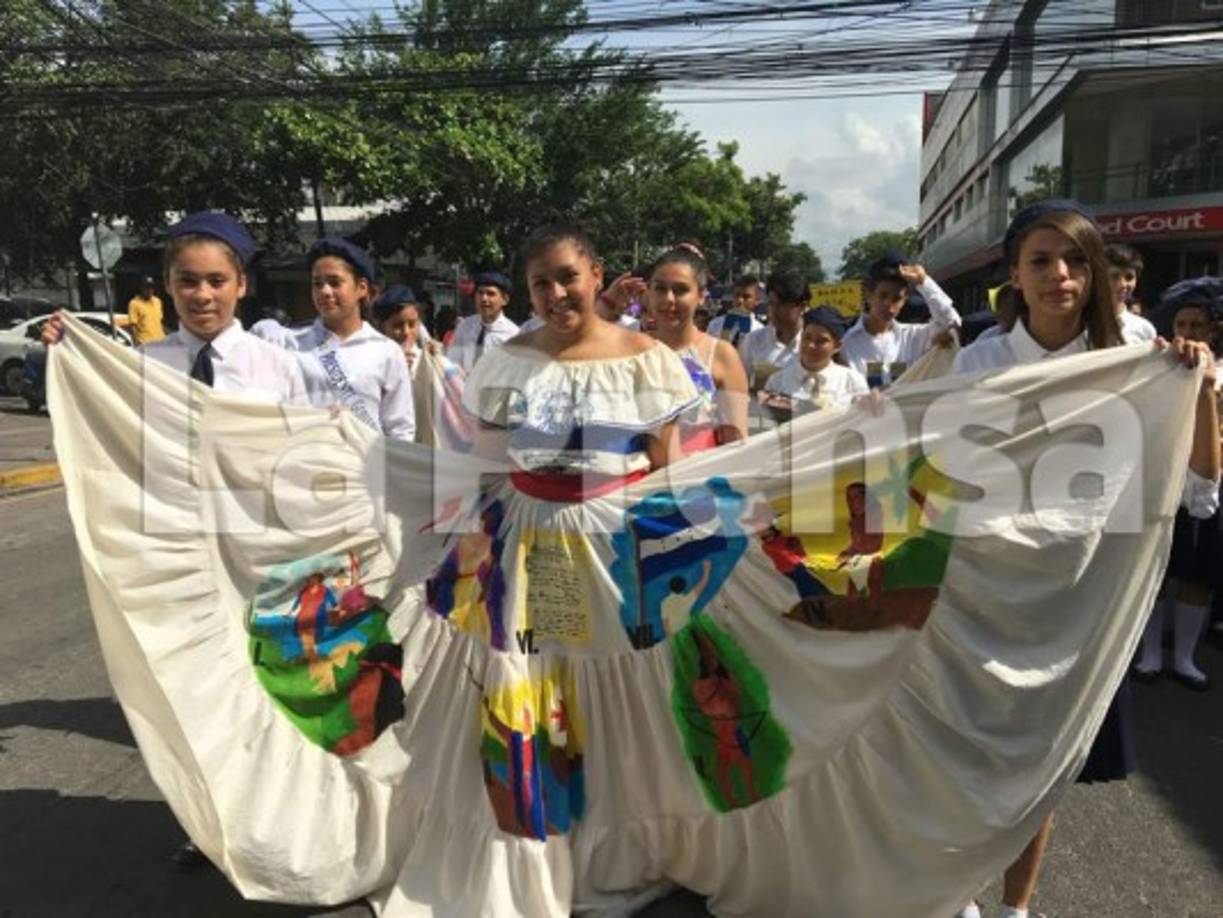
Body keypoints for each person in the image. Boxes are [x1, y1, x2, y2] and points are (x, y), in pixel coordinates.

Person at [950, 200, 1220, 918]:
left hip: (1084, 592)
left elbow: (1199, 488)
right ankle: (958, 896)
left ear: (1097, 273)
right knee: (968, 759)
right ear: (1013, 274)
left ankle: (1014, 907)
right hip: (986, 588)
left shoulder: (1141, 353)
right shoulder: (977, 359)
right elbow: (928, 464)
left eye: (1075, 261)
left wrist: (1196, 389)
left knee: (1042, 765)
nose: (1059, 276)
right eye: (1039, 261)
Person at [41, 210, 308, 871]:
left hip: (261, 562)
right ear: (167, 285)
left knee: (274, 701)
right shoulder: (142, 368)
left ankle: (283, 829)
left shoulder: (278, 367)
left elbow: (308, 467)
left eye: (216, 280)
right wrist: (66, 348)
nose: (203, 295)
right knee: (200, 703)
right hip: (180, 564)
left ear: (240, 284)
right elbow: (109, 444)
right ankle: (214, 827)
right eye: (188, 281)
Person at [462, 223, 700, 489]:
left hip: (618, 524)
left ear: (596, 275)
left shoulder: (646, 361)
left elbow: (666, 464)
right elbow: (487, 463)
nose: (556, 294)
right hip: (526, 525)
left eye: (568, 277)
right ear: (528, 290)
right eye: (541, 283)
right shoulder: (506, 363)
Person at [1133, 276, 1223, 690]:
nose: (1188, 334)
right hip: (1164, 482)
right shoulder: (1161, 365)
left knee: (1197, 575)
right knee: (1156, 571)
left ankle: (1185, 657)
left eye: (1197, 327)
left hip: (1209, 485)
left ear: (1212, 331)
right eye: (1182, 326)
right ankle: (1150, 652)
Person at [252, 237, 415, 441]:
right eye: (317, 284)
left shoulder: (386, 352)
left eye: (335, 282)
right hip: (306, 464)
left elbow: (400, 429)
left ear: (362, 288)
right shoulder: (289, 343)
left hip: (365, 467)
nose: (325, 292)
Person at [644, 244, 748, 453]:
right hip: (637, 479)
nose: (669, 299)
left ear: (701, 296)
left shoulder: (721, 354)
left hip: (698, 478)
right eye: (660, 288)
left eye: (681, 290)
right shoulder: (632, 351)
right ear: (648, 292)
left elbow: (736, 443)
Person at [840, 251, 960, 389]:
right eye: (883, 296)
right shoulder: (847, 343)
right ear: (869, 295)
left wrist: (924, 282)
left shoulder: (915, 336)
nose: (889, 305)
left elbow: (952, 322)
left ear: (905, 300)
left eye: (896, 298)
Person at [759, 306, 868, 421]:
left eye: (821, 341)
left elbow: (863, 422)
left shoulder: (852, 382)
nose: (811, 345)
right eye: (807, 338)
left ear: (837, 346)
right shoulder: (777, 382)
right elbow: (767, 425)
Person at [739, 269, 807, 393]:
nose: (773, 311)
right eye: (770, 303)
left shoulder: (813, 344)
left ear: (802, 306)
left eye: (781, 305)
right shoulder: (753, 341)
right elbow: (741, 385)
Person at [448, 271, 519, 374]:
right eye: (480, 293)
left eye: (491, 294)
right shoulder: (465, 327)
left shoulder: (513, 335)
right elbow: (453, 360)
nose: (484, 298)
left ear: (505, 300)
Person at [1105, 243, 1156, 344]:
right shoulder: (1077, 325)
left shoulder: (1144, 329)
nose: (1122, 284)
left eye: (1129, 277)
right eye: (1114, 276)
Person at [706, 274, 763, 347]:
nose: (740, 300)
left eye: (746, 297)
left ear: (757, 300)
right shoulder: (715, 325)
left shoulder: (760, 331)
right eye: (737, 295)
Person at [119, 276, 166, 345]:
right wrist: (136, 344)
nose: (150, 290)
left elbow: (160, 322)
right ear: (141, 288)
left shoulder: (157, 301)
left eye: (151, 287)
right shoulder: (134, 303)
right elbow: (133, 326)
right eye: (146, 287)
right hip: (146, 344)